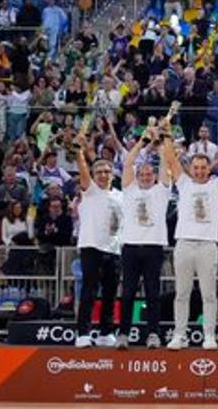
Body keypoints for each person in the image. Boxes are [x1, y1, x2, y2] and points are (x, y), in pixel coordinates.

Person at [162, 114, 218, 351]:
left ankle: (209, 335)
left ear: (209, 169)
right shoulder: (184, 183)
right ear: (191, 168)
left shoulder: (216, 185)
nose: (199, 171)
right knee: (182, 293)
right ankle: (180, 335)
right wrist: (167, 134)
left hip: (208, 245)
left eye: (203, 167)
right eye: (195, 167)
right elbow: (170, 160)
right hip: (184, 244)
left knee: (209, 294)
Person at [119, 122, 172, 349]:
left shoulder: (161, 191)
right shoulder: (130, 189)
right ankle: (123, 334)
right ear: (138, 175)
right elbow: (129, 162)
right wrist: (143, 141)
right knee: (128, 292)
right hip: (130, 246)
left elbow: (165, 167)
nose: (147, 175)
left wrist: (158, 145)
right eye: (143, 173)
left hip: (153, 246)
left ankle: (153, 334)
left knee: (152, 292)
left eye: (150, 173)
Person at [72, 143, 124, 348]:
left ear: (113, 174)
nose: (103, 175)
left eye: (107, 171)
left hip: (114, 248)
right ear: (93, 175)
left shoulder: (120, 195)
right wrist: (79, 151)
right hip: (91, 246)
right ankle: (83, 333)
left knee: (111, 294)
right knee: (89, 292)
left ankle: (105, 331)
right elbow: (83, 169)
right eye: (99, 172)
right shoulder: (90, 191)